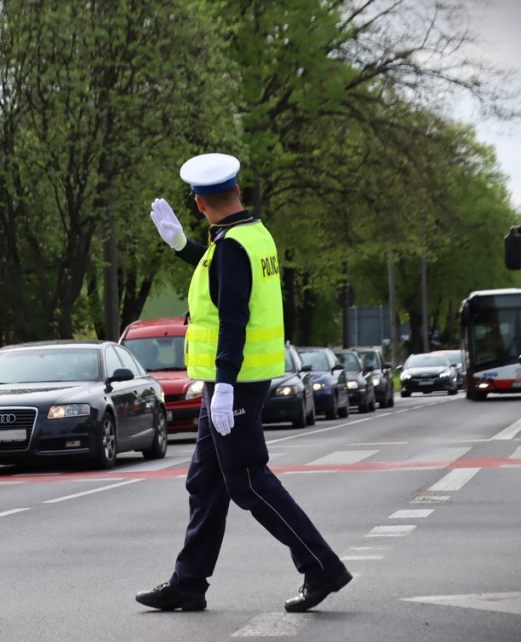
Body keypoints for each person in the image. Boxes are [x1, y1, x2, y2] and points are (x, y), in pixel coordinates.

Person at [135, 153, 351, 613]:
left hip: (234, 381)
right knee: (205, 483)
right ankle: (188, 582)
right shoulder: (251, 235)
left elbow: (234, 315)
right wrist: (182, 246)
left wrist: (226, 384)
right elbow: (223, 275)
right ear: (237, 192)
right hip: (240, 378)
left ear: (197, 202)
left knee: (248, 482)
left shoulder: (232, 245)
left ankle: (322, 568)